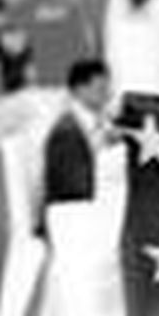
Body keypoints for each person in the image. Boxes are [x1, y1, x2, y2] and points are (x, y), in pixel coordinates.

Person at [42, 59, 113, 207]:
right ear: (81, 90)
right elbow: (75, 188)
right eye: (101, 89)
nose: (108, 95)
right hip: (71, 212)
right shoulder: (66, 134)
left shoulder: (97, 124)